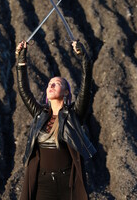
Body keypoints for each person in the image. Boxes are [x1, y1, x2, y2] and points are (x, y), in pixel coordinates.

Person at [16, 39, 96, 200]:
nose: (51, 86)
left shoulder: (74, 114)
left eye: (57, 84)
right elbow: (24, 90)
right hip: (42, 183)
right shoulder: (40, 114)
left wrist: (84, 59)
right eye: (49, 84)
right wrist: (21, 61)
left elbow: (86, 87)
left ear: (66, 92)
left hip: (68, 183)